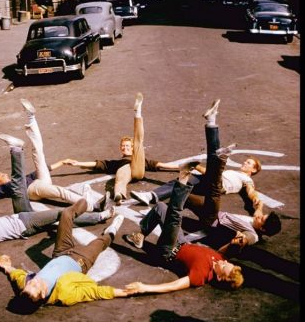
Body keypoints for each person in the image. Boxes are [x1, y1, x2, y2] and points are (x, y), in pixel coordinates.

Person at [130, 99, 281, 245]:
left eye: (249, 163)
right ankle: (153, 201)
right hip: (212, 199)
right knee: (185, 192)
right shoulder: (255, 219)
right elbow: (258, 204)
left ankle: (213, 129)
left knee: (215, 178)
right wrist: (259, 208)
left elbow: (252, 193)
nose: (244, 162)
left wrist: (243, 240)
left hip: (214, 210)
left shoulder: (252, 233)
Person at [0, 143, 114, 268]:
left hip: (20, 215)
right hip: (25, 224)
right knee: (62, 214)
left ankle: (16, 149)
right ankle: (97, 213)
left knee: (21, 191)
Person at [124, 153, 244, 295]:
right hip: (181, 241)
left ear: (219, 277)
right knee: (161, 207)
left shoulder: (202, 275)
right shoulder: (220, 259)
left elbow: (175, 285)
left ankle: (183, 179)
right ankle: (140, 235)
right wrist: (233, 244)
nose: (223, 262)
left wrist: (144, 288)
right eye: (227, 263)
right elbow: (219, 254)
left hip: (169, 251)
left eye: (224, 266)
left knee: (174, 216)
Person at [0, 99, 108, 212]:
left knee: (38, 152)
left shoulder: (20, 177)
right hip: (32, 190)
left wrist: (62, 162)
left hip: (39, 181)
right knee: (60, 192)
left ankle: (31, 118)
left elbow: (45, 168)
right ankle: (93, 206)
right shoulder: (4, 188)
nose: (2, 173)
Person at [0, 198, 130, 309]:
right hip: (81, 260)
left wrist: (6, 266)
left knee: (66, 214)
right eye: (35, 286)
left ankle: (88, 204)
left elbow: (16, 275)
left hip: (61, 252)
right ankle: (112, 230)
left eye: (30, 284)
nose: (34, 281)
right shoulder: (65, 295)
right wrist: (125, 292)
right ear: (43, 294)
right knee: (102, 242)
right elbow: (96, 292)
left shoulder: (26, 284)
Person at [61, 93, 176, 204]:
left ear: (131, 148)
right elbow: (97, 164)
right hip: (125, 171)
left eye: (127, 146)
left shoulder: (141, 158)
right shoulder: (117, 163)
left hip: (138, 168)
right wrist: (77, 163)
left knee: (139, 142)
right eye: (123, 146)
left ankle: (138, 113)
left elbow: (162, 165)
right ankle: (118, 195)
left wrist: (181, 168)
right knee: (120, 175)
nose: (125, 147)